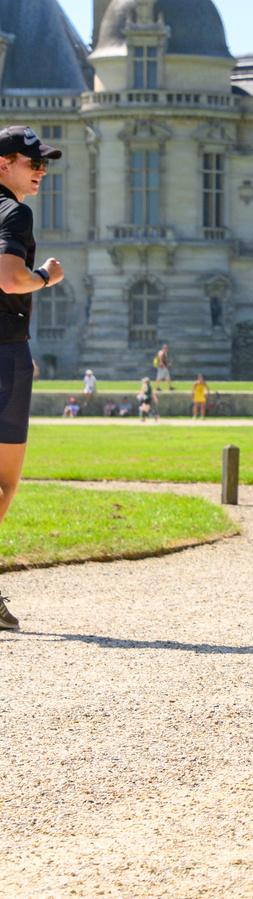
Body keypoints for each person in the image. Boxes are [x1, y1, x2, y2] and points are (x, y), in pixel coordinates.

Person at [0, 125, 63, 631]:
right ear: (3, 164)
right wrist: (45, 276)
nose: (42, 171)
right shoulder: (14, 212)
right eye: (32, 162)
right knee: (4, 483)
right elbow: (10, 279)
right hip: (4, 352)